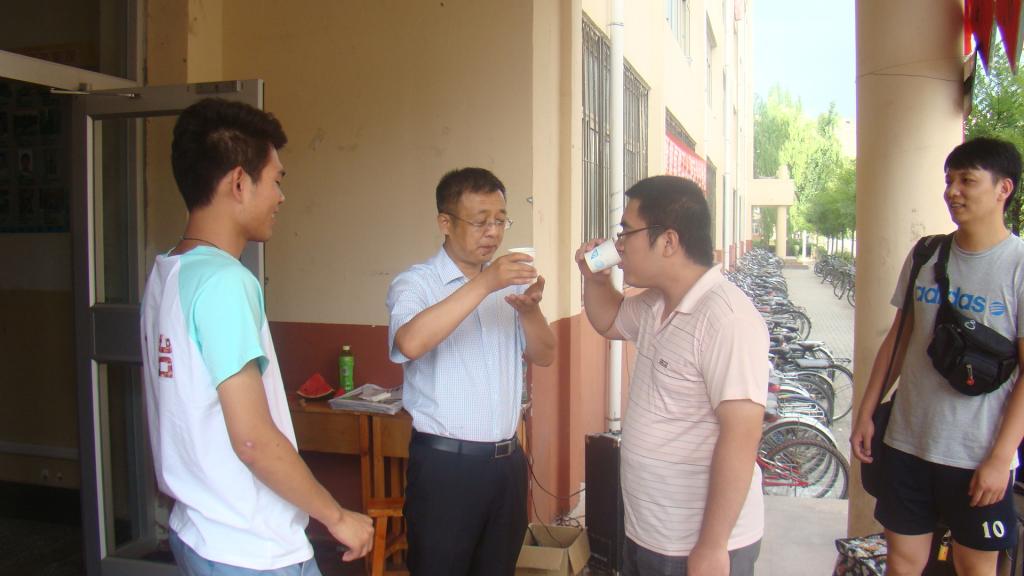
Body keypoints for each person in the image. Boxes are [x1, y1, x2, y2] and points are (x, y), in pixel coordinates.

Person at [140, 98, 373, 576]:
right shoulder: (225, 282)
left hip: (198, 530)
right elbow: (252, 439)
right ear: (239, 183)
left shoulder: (168, 271)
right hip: (251, 548)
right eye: (276, 180)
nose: (281, 197)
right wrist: (336, 517)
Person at [575, 176, 768, 576]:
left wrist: (712, 547)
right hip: (648, 532)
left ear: (668, 241)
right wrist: (594, 277)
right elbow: (608, 320)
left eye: (627, 232)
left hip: (695, 546)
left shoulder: (727, 318)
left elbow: (742, 435)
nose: (619, 245)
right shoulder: (655, 304)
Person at [852, 137, 1024, 576]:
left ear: (1004, 189)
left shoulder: (1018, 265)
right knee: (903, 563)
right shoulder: (927, 254)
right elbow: (898, 340)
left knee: (974, 567)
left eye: (967, 180)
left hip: (977, 454)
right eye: (949, 180)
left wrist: (1000, 459)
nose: (953, 191)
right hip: (907, 443)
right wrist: (867, 412)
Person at [386, 167, 556, 576]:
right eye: (480, 221)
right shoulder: (416, 283)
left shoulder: (508, 286)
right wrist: (485, 284)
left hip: (507, 464)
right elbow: (409, 343)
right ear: (445, 222)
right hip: (446, 468)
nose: (492, 232)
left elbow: (546, 354)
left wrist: (530, 311)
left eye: (500, 220)